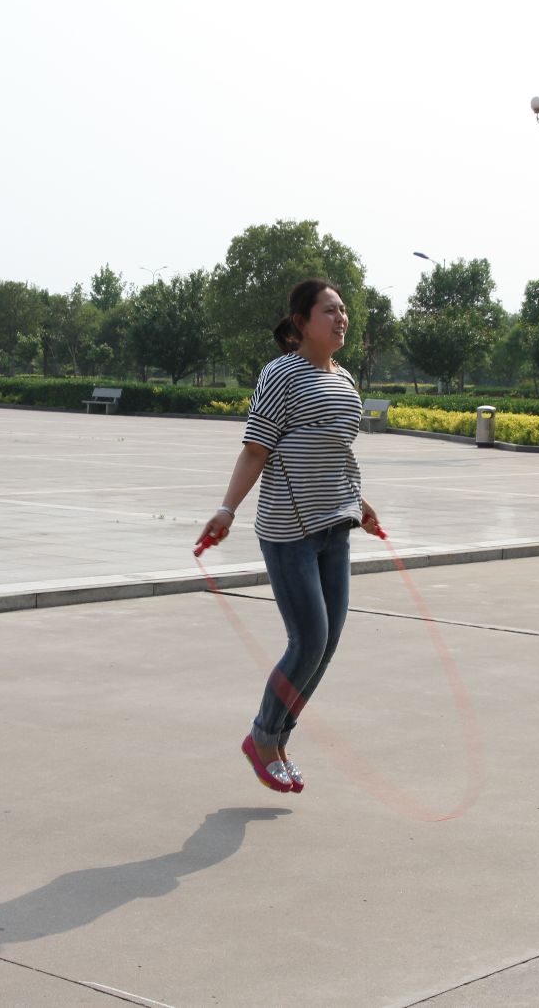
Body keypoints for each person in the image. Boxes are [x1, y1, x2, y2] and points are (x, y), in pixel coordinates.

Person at [200, 279, 380, 794]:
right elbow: (256, 449)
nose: (341, 318)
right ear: (302, 322)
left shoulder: (344, 378)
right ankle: (262, 738)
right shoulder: (281, 374)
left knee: (326, 645)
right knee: (309, 641)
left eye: (343, 310)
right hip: (290, 531)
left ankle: (278, 738)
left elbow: (337, 451)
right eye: (329, 311)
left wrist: (360, 503)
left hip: (337, 527)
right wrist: (227, 509)